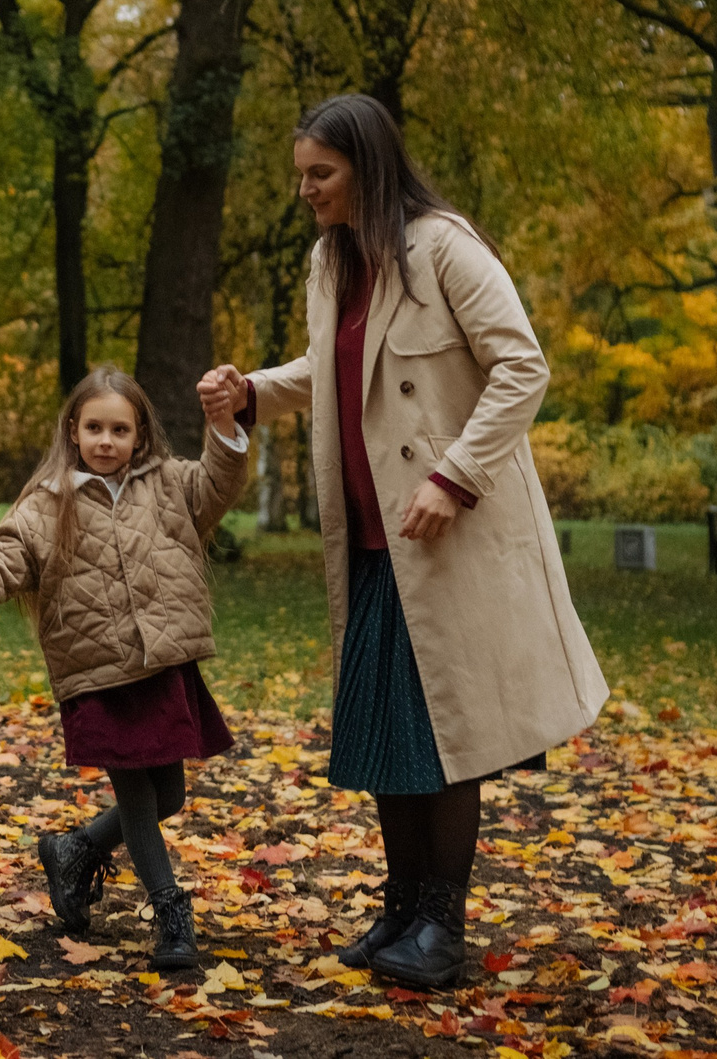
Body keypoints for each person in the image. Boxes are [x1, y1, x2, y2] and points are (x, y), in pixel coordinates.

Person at [211, 93, 606, 989]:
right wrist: (253, 391)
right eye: (301, 174)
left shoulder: (445, 248)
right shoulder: (331, 261)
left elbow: (523, 366)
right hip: (368, 538)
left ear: (368, 166)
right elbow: (331, 367)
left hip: (445, 538)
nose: (305, 190)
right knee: (390, 731)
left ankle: (442, 924)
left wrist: (454, 476)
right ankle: (399, 908)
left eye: (321, 173)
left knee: (442, 731)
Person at [0, 367, 251, 973]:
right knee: (137, 794)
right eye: (94, 428)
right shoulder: (47, 502)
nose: (106, 441)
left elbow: (220, 482)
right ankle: (171, 913)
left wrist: (223, 425)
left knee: (169, 795)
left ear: (140, 435)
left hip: (160, 662)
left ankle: (76, 849)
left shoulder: (170, 484)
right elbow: (7, 556)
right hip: (98, 672)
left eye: (119, 430)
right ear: (73, 431)